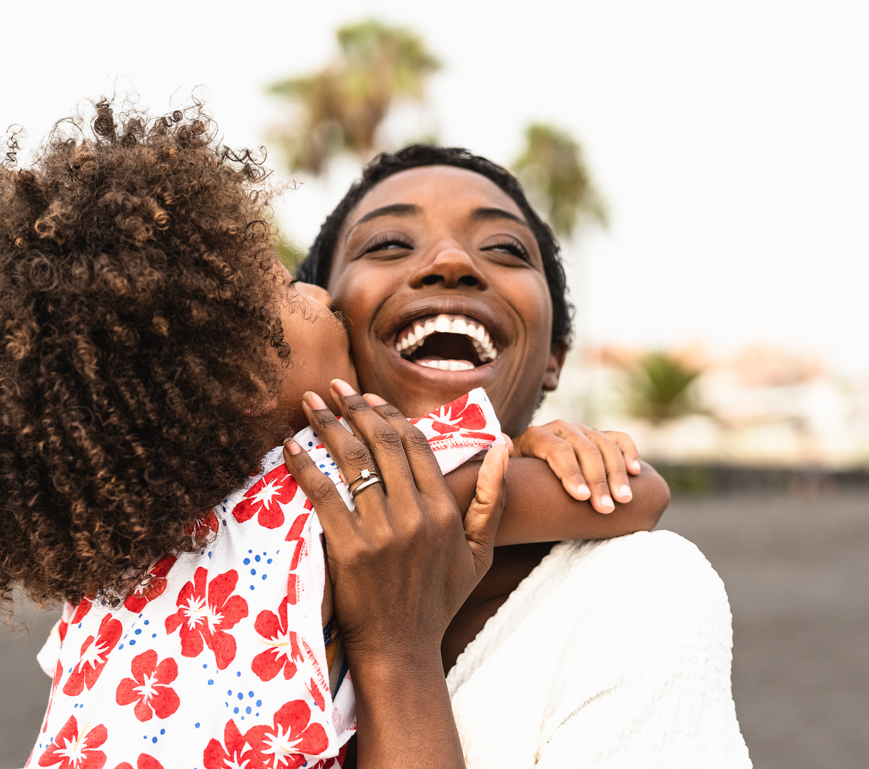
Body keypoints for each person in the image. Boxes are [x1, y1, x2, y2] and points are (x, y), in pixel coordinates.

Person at [0, 102, 667, 768]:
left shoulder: (108, 597)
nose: (311, 290)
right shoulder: (331, 490)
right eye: (280, 288)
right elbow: (626, 494)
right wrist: (538, 446)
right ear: (241, 378)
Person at [294, 144, 753, 767]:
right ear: (323, 316)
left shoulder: (634, 592)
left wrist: (396, 655)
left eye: (505, 250)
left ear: (555, 357)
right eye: (388, 245)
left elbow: (639, 491)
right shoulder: (199, 535)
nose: (451, 262)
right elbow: (645, 491)